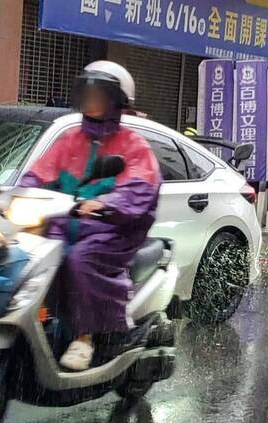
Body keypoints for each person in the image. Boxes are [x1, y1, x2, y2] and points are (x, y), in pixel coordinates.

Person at [18, 61, 161, 371]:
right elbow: (38, 175)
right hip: (62, 225)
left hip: (109, 232)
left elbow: (139, 187)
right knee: (28, 255)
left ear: (117, 101)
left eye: (100, 95)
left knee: (80, 259)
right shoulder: (68, 140)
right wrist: (14, 194)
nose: (92, 100)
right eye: (88, 93)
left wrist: (106, 202)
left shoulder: (133, 145)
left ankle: (85, 337)